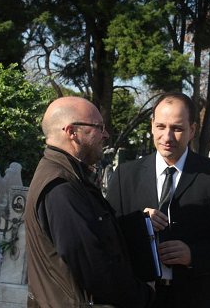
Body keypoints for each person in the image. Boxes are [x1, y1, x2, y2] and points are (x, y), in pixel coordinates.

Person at [106, 92, 210, 308]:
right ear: (152, 125)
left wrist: (193, 255)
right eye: (161, 126)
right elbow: (108, 235)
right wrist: (139, 222)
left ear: (192, 130)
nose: (167, 137)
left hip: (195, 298)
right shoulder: (125, 175)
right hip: (139, 297)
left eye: (177, 128)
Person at [25, 96, 154, 308]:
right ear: (71, 132)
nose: (106, 134)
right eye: (98, 127)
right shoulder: (61, 186)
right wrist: (144, 296)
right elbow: (93, 266)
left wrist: (139, 223)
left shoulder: (71, 176)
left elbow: (94, 232)